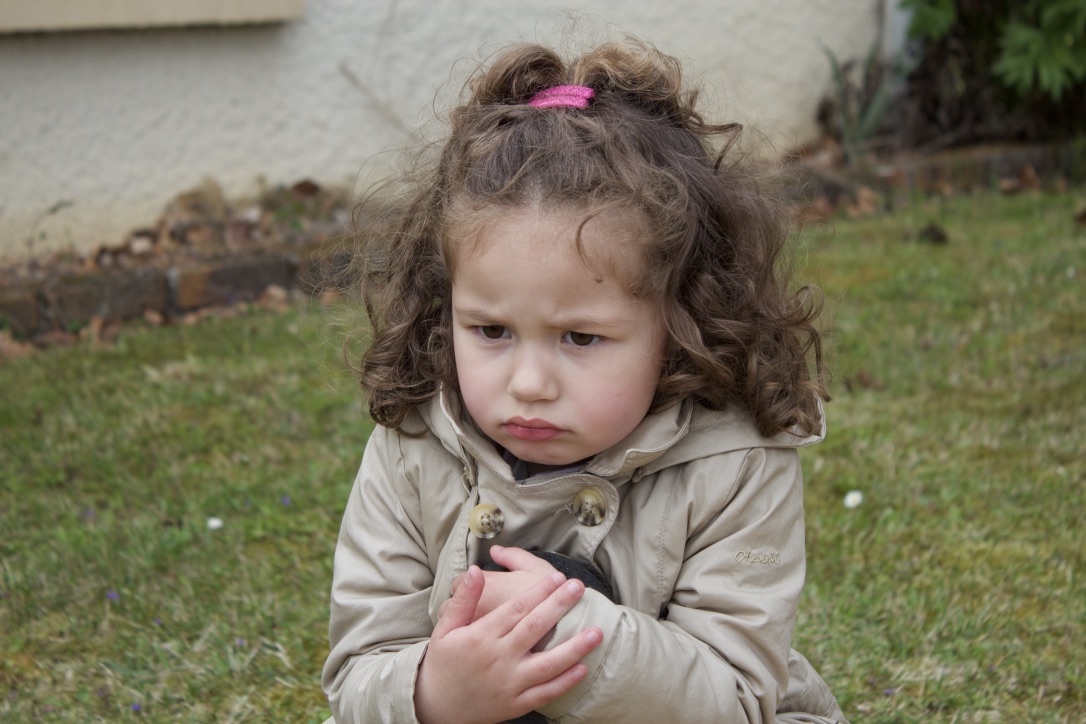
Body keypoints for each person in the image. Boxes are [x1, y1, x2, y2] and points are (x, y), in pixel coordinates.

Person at [322, 35, 847, 724]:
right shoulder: (412, 448)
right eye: (491, 331)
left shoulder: (736, 461)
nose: (530, 382)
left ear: (681, 320)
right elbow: (359, 670)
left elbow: (737, 697)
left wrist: (575, 643)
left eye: (580, 338)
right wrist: (431, 693)